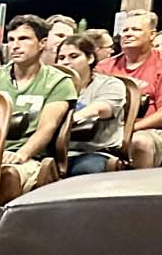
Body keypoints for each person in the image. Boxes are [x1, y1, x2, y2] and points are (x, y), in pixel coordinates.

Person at [0, 15, 75, 200]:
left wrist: (22, 154)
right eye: (11, 39)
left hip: (29, 158)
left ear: (42, 43)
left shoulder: (59, 82)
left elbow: (48, 127)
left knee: (8, 173)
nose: (15, 45)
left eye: (23, 39)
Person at [106, 11, 162, 169]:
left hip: (148, 130)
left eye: (136, 30)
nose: (128, 34)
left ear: (152, 35)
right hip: (105, 129)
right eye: (125, 30)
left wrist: (129, 129)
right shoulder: (104, 67)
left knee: (140, 143)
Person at [56, 36, 130, 173]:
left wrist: (68, 121)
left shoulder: (110, 84)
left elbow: (101, 109)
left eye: (74, 56)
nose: (66, 62)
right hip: (56, 152)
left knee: (84, 170)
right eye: (61, 58)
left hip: (94, 151)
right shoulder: (52, 87)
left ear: (90, 58)